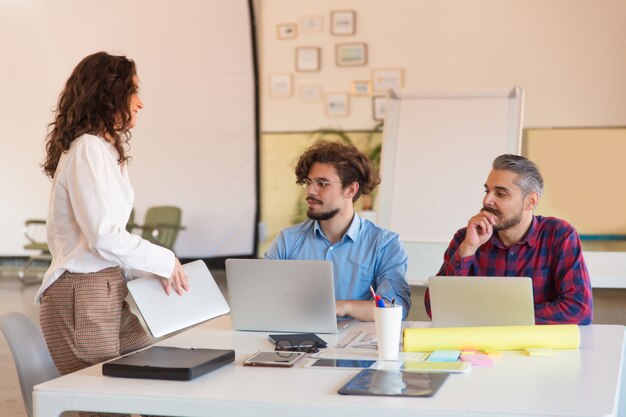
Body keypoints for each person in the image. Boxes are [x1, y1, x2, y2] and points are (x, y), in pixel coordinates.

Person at [36, 52, 189, 389]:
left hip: (105, 289)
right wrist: (165, 260)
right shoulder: (87, 148)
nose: (141, 103)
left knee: (156, 384)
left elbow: (105, 238)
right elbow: (103, 235)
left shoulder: (102, 150)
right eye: (134, 91)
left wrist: (148, 269)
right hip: (81, 295)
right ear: (109, 94)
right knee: (105, 406)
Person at [425, 154, 593, 325]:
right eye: (487, 191)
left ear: (530, 201)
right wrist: (468, 249)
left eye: (500, 193)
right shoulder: (466, 237)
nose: (487, 200)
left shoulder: (559, 235)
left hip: (536, 348)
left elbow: (579, 309)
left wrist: (497, 317)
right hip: (479, 348)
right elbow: (435, 309)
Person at [265, 141, 411, 321]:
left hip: (355, 347)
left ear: (350, 189)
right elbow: (262, 296)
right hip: (296, 342)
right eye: (309, 182)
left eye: (322, 183)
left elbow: (396, 307)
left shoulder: (384, 244)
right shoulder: (288, 239)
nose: (310, 191)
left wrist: (343, 306)